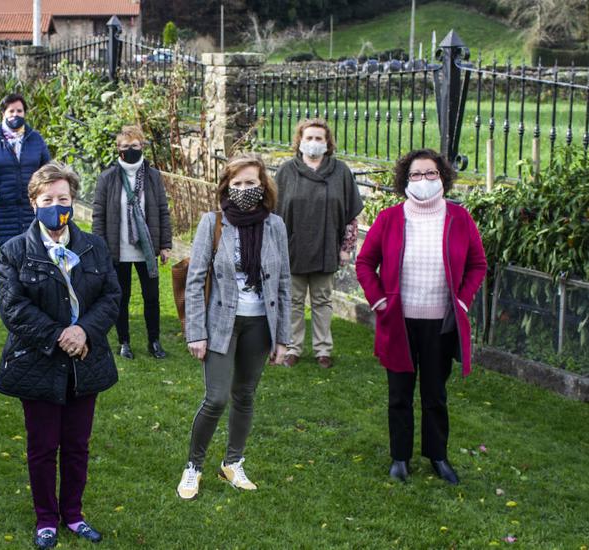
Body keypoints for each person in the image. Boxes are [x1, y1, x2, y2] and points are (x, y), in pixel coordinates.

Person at [0, 162, 121, 549]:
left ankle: (74, 514)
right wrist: (59, 335)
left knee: (78, 445)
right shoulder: (14, 251)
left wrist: (85, 331)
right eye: (47, 199)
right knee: (44, 445)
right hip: (39, 361)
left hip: (85, 360)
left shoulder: (94, 246)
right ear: (34, 203)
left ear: (72, 201)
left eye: (63, 199)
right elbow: (13, 309)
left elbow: (111, 297)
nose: (56, 206)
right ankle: (46, 519)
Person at [356, 149, 486, 485]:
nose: (424, 180)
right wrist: (378, 299)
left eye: (431, 174)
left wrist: (463, 301)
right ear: (405, 180)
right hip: (398, 322)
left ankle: (438, 456)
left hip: (440, 323)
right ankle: (400, 457)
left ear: (442, 178)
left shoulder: (460, 218)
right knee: (399, 394)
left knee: (434, 393)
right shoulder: (389, 219)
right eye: (416, 174)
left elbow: (477, 264)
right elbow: (365, 263)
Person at [177, 153, 291, 500]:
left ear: (263, 186)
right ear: (227, 186)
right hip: (220, 324)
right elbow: (195, 280)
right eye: (237, 183)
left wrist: (283, 338)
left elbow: (283, 282)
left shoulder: (275, 226)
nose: (244, 189)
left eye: (251, 183)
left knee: (245, 395)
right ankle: (193, 466)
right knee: (215, 398)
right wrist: (195, 332)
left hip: (260, 324)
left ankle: (233, 463)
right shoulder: (212, 223)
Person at [274, 118, 363, 368]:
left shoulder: (341, 172)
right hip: (293, 249)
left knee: (322, 302)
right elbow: (274, 216)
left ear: (327, 143)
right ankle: (292, 348)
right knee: (293, 302)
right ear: (299, 141)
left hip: (326, 247)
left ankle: (323, 349)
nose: (313, 143)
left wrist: (346, 248)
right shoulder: (286, 172)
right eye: (309, 138)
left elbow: (351, 215)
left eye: (319, 138)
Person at [92, 125, 173, 360]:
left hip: (146, 248)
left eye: (135, 146)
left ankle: (154, 341)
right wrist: (100, 247)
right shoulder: (107, 178)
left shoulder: (153, 176)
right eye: (125, 146)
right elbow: (99, 215)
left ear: (142, 147)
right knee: (121, 297)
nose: (130, 150)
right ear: (118, 149)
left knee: (152, 297)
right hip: (118, 249)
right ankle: (124, 342)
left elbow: (162, 211)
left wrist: (165, 245)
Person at [0, 93, 52, 247]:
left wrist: (43, 193)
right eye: (11, 111)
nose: (15, 115)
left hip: (32, 207)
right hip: (4, 207)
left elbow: (47, 167)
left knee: (34, 251)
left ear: (24, 113)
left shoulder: (36, 139)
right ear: (3, 114)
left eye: (19, 111)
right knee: (8, 256)